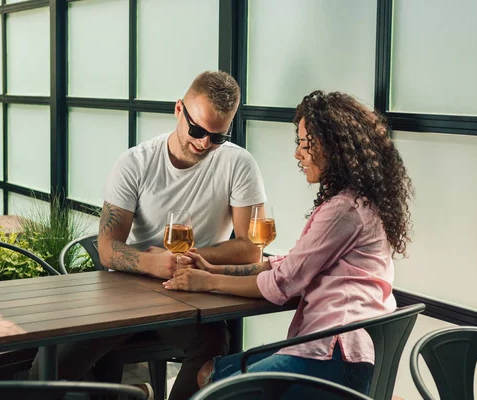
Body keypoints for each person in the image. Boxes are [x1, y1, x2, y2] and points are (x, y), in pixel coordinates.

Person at [30, 71, 267, 399]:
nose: (203, 143)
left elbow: (252, 249)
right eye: (197, 130)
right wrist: (153, 264)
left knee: (213, 346)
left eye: (217, 137)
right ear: (178, 110)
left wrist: (192, 259)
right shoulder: (135, 162)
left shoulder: (239, 164)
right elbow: (108, 248)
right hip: (124, 290)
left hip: (192, 290)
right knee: (52, 362)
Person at [163, 90, 414, 396]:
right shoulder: (363, 203)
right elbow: (291, 264)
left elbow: (284, 282)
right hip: (351, 355)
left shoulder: (344, 210)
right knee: (210, 372)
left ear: (334, 147)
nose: (298, 153)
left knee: (218, 383)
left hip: (332, 356)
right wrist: (218, 268)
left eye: (305, 143)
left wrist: (206, 282)